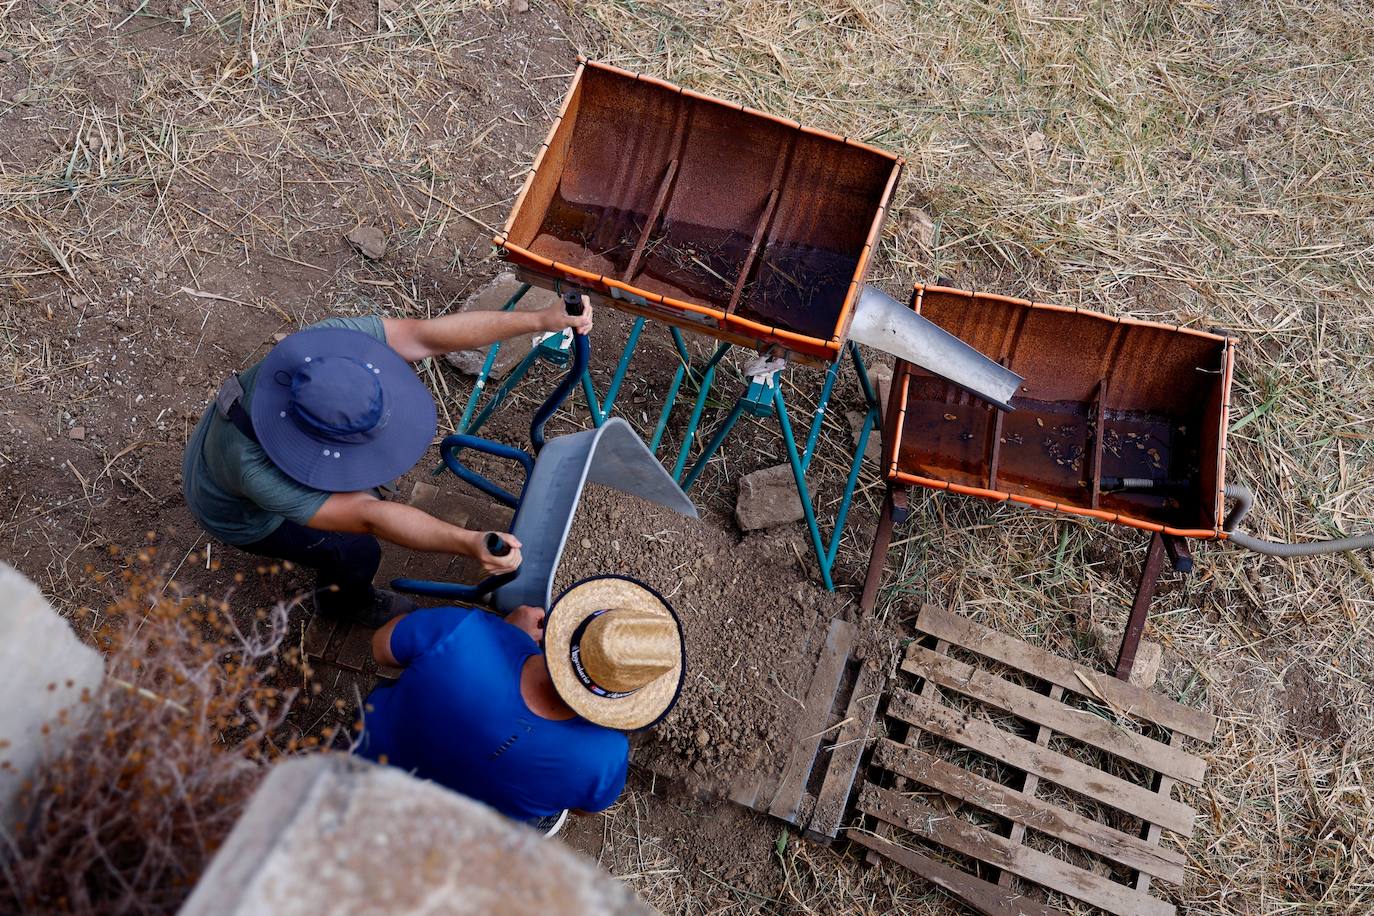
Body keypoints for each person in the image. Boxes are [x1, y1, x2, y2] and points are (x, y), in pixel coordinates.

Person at [181, 300, 592, 626]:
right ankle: (344, 605)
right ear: (316, 446)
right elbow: (370, 517)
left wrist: (540, 318)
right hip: (241, 515)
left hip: (222, 441)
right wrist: (467, 542)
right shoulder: (257, 471)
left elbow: (425, 335)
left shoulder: (324, 349)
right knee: (355, 552)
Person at [358, 575, 685, 836]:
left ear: (570, 631)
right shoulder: (604, 756)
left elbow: (381, 648)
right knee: (544, 811)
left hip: (375, 762)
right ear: (624, 698)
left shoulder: (462, 630)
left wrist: (505, 635)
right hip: (465, 825)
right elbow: (586, 809)